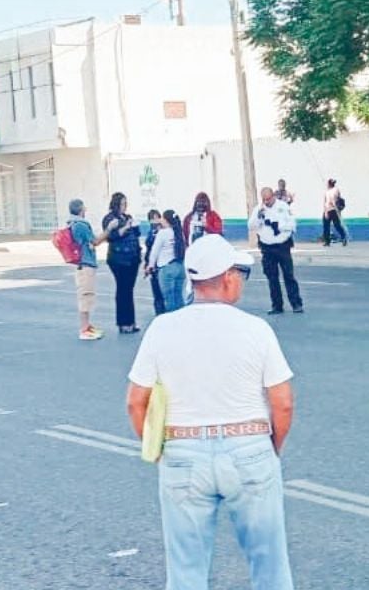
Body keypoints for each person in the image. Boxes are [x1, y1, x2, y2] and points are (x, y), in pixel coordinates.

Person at [126, 234, 296, 590]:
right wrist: (270, 447)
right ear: (229, 278)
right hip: (249, 446)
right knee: (270, 567)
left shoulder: (162, 329)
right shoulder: (256, 330)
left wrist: (159, 451)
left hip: (183, 450)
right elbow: (282, 402)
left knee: (186, 570)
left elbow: (135, 401)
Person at [68, 198, 116, 341]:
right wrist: (109, 229)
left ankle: (87, 325)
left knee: (87, 295)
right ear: (81, 209)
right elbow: (95, 241)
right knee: (85, 295)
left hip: (82, 263)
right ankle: (84, 329)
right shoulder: (81, 225)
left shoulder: (71, 223)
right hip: (85, 263)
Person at [250, 187, 302, 315]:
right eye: (264, 199)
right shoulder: (259, 209)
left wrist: (279, 226)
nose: (267, 202)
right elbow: (251, 226)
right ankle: (277, 306)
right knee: (272, 278)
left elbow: (293, 225)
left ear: (273, 196)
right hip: (267, 248)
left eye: (268, 199)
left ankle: (296, 304)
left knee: (288, 276)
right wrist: (258, 216)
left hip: (282, 246)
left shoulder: (283, 207)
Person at [103, 192, 143, 334]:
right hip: (119, 259)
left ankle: (131, 322)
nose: (125, 206)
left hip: (132, 257)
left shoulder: (127, 217)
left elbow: (137, 234)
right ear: (116, 204)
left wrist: (135, 226)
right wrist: (125, 227)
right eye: (122, 204)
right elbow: (111, 236)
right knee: (122, 289)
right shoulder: (109, 219)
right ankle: (123, 323)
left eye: (126, 203)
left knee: (129, 290)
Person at [148, 209, 187, 313]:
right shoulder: (179, 232)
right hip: (179, 266)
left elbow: (155, 251)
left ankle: (172, 323)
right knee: (179, 297)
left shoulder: (163, 233)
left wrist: (150, 265)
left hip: (166, 268)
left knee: (169, 299)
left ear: (166, 220)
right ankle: (182, 320)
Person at [143, 209, 167, 317]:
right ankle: (159, 313)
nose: (155, 221)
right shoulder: (150, 233)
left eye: (157, 218)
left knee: (164, 291)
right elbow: (148, 248)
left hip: (162, 264)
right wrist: (147, 264)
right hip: (154, 266)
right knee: (156, 291)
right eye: (152, 219)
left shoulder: (164, 232)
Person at [322, 179, 347, 247]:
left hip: (331, 210)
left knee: (327, 226)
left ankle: (328, 241)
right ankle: (343, 237)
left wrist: (326, 211)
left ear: (329, 184)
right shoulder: (334, 190)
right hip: (332, 210)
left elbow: (328, 202)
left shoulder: (330, 191)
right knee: (336, 225)